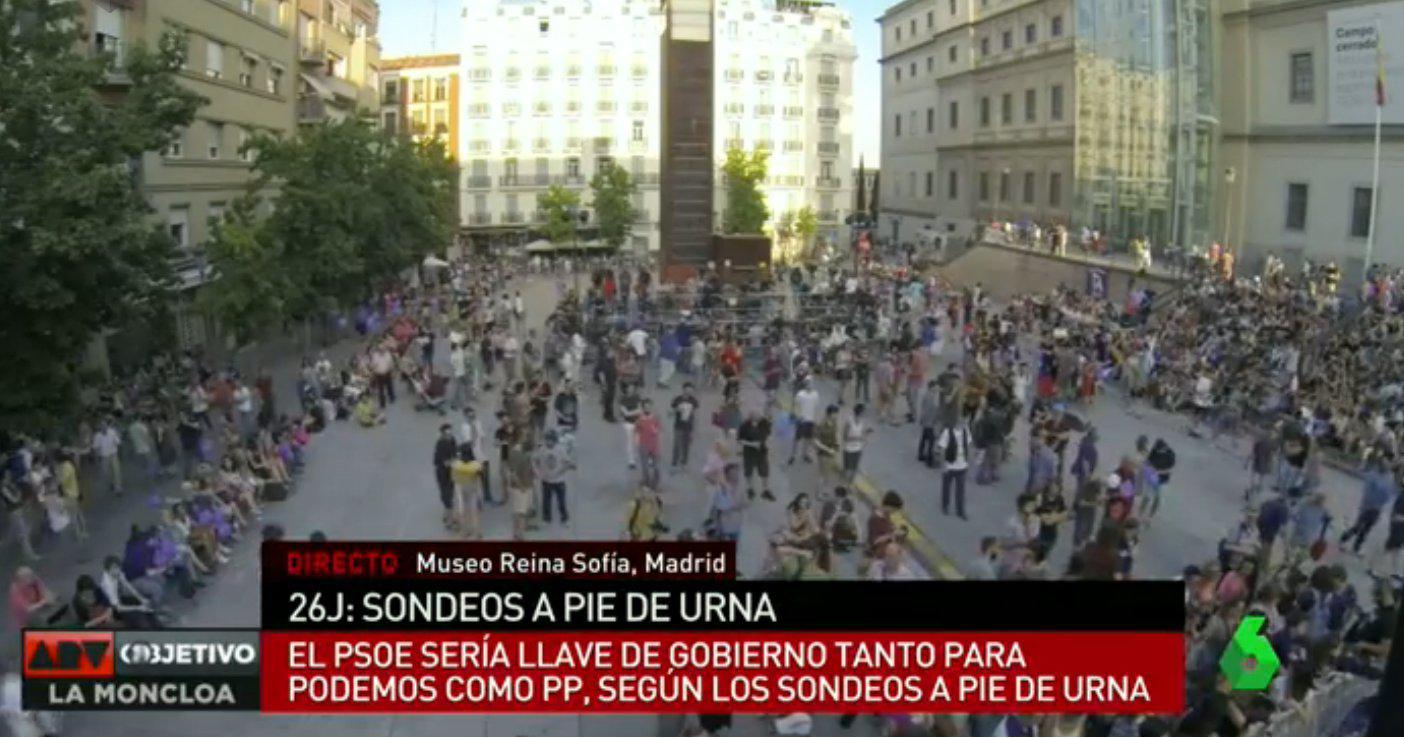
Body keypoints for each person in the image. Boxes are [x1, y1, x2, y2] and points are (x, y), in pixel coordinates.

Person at [1340, 455, 1397, 555]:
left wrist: (1381, 502)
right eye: (1383, 464)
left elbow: (1390, 492)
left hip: (1378, 508)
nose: (1386, 466)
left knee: (1367, 529)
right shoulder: (1372, 475)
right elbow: (1368, 492)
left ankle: (1356, 548)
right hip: (1367, 506)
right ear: (1380, 464)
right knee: (1358, 526)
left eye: (1387, 463)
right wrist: (1373, 502)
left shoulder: (1390, 476)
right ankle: (1344, 539)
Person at [99, 555, 161, 628]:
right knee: (140, 618)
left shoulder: (117, 572)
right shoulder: (108, 585)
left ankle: (157, 624)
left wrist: (141, 599)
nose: (118, 570)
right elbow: (118, 608)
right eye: (114, 569)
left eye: (118, 568)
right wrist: (138, 607)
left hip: (120, 598)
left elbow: (128, 586)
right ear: (107, 570)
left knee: (148, 606)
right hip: (113, 608)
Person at [533, 430, 573, 525]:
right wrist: (538, 472)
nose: (548, 442)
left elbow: (567, 463)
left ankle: (565, 518)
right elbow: (535, 460)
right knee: (546, 501)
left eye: (550, 440)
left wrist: (561, 471)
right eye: (547, 439)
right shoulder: (542, 449)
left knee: (561, 502)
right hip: (546, 480)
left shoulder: (561, 449)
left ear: (555, 440)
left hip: (559, 481)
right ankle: (547, 518)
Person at [937, 421, 972, 519]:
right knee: (946, 488)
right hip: (950, 465)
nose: (963, 424)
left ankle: (960, 510)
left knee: (960, 490)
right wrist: (943, 465)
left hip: (962, 466)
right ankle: (945, 505)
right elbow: (943, 449)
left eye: (964, 423)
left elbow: (967, 446)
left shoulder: (966, 431)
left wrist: (967, 462)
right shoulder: (947, 432)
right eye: (961, 422)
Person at [737, 408, 774, 501]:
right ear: (751, 418)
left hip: (762, 451)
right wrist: (752, 444)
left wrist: (766, 441)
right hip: (749, 452)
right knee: (749, 471)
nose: (759, 419)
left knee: (764, 471)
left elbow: (768, 433)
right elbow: (740, 440)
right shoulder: (744, 426)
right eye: (756, 418)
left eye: (759, 417)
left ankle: (765, 490)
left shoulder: (764, 423)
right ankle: (750, 489)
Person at [449, 448, 484, 539]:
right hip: (472, 489)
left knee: (463, 511)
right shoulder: (475, 466)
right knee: (474, 511)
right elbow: (480, 478)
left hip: (461, 489)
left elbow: (453, 478)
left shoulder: (457, 465)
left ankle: (464, 532)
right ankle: (476, 533)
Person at [788, 380, 820, 464]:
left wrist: (816, 420)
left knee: (808, 438)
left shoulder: (815, 395)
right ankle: (793, 455)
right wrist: (794, 415)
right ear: (805, 385)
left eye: (811, 384)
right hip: (801, 420)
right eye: (808, 384)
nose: (810, 386)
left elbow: (816, 408)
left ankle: (805, 454)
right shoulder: (800, 394)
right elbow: (795, 404)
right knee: (797, 439)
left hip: (810, 420)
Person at [433, 424, 458, 528]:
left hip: (451, 472)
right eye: (447, 432)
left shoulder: (452, 440)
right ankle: (449, 520)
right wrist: (456, 461)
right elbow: (445, 462)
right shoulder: (440, 444)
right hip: (443, 473)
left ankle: (447, 515)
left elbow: (455, 453)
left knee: (450, 494)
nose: (450, 434)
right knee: (446, 495)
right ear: (443, 433)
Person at [635, 400, 662, 489]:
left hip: (654, 446)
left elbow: (658, 430)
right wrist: (637, 444)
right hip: (644, 445)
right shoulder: (639, 420)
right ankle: (646, 482)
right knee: (645, 467)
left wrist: (656, 430)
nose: (648, 408)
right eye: (646, 407)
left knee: (656, 467)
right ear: (643, 408)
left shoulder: (655, 419)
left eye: (649, 406)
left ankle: (655, 484)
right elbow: (637, 433)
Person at [92, 417, 123, 496]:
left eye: (105, 425)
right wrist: (97, 458)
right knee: (107, 472)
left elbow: (118, 442)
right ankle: (112, 483)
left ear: (107, 426)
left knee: (116, 471)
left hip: (113, 455)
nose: (104, 427)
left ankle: (118, 488)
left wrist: (119, 452)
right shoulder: (97, 436)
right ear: (99, 427)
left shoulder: (112, 432)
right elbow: (95, 447)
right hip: (104, 457)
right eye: (101, 426)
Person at [841, 404, 872, 483]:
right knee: (847, 469)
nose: (865, 414)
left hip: (858, 448)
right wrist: (858, 438)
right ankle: (844, 483)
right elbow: (845, 437)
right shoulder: (849, 422)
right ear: (860, 412)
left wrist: (867, 433)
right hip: (848, 449)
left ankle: (849, 484)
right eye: (864, 412)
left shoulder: (862, 422)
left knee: (854, 469)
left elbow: (861, 433)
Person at [671, 383, 699, 468]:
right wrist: (678, 409)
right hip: (678, 425)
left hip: (688, 425)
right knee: (677, 444)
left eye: (691, 390)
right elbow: (673, 410)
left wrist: (694, 427)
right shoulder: (678, 399)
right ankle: (675, 460)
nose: (689, 391)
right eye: (687, 389)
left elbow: (694, 413)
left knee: (686, 444)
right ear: (683, 389)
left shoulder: (693, 400)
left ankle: (684, 460)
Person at [618, 382, 642, 468]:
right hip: (628, 424)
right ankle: (631, 460)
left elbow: (639, 410)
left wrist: (630, 413)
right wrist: (634, 412)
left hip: (638, 422)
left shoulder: (637, 397)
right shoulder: (622, 399)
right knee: (630, 442)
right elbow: (625, 413)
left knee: (639, 441)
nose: (631, 389)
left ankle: (643, 457)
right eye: (629, 388)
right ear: (626, 389)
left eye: (632, 388)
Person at [916, 380, 939, 467]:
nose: (937, 388)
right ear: (932, 387)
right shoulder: (933, 397)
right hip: (930, 422)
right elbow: (934, 410)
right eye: (936, 386)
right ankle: (930, 459)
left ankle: (920, 454)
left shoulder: (926, 395)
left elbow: (923, 409)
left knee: (924, 438)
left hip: (925, 421)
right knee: (931, 441)